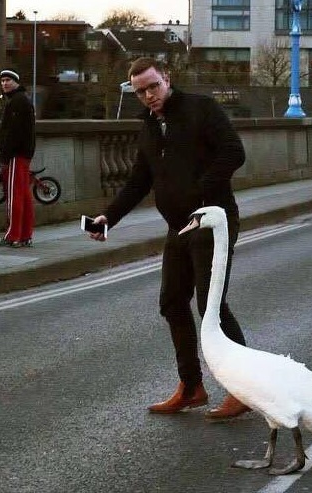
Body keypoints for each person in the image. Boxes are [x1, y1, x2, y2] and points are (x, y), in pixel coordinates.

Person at [87, 57, 250, 420]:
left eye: (153, 86)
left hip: (213, 221)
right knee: (172, 303)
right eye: (140, 91)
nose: (148, 95)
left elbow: (233, 152)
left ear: (166, 79)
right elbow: (138, 181)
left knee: (212, 307)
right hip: (179, 227)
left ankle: (243, 389)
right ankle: (191, 387)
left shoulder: (200, 109)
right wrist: (107, 218)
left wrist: (203, 189)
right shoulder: (147, 127)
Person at [0, 69, 36, 248]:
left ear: (16, 82)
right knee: (24, 195)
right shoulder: (23, 100)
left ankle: (13, 235)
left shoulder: (16, 103)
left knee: (14, 196)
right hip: (24, 154)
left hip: (15, 155)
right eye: (2, 80)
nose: (4, 84)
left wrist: (5, 155)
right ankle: (25, 234)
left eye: (8, 80)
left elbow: (12, 133)